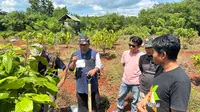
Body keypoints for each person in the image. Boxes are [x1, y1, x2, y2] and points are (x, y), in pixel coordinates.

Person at [137, 34, 191, 112]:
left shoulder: (180, 81)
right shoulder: (160, 68)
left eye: (153, 52)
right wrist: (144, 101)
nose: (152, 54)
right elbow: (154, 88)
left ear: (163, 55)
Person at [29, 43, 68, 112]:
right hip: (39, 85)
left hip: (51, 86)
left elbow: (64, 68)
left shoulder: (53, 58)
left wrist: (61, 81)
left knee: (50, 106)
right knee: (40, 105)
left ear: (43, 52)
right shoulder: (34, 60)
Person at [68, 36, 102, 112]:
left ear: (89, 44)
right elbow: (70, 68)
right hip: (80, 84)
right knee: (82, 106)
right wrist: (73, 62)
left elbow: (99, 65)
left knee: (96, 106)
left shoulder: (94, 53)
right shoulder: (75, 54)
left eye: (84, 45)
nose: (82, 47)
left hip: (92, 84)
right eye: (81, 45)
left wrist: (94, 70)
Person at [114, 36, 144, 112]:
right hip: (125, 80)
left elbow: (143, 69)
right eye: (129, 45)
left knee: (135, 99)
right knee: (121, 96)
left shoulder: (142, 56)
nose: (131, 47)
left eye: (133, 46)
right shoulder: (125, 53)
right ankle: (120, 108)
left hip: (136, 82)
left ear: (139, 46)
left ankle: (133, 110)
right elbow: (124, 64)